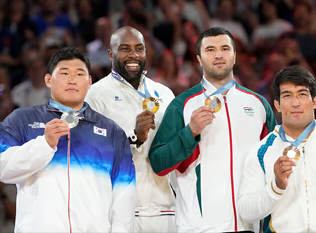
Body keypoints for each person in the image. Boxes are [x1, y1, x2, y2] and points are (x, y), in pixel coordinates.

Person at [149, 27, 277, 232]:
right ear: (199, 59)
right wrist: (189, 132)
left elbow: (272, 167)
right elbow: (158, 163)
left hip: (249, 226)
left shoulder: (259, 105)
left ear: (234, 56)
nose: (218, 54)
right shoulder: (182, 105)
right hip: (199, 227)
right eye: (210, 50)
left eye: (225, 48)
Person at [0, 47, 136, 232]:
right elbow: (3, 168)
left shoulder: (112, 131)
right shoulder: (21, 120)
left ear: (89, 82)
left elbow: (124, 195)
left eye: (80, 74)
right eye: (64, 73)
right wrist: (44, 144)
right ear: (48, 80)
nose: (72, 79)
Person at [85, 26, 176, 232]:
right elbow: (93, 154)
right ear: (111, 54)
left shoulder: (165, 94)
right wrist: (135, 138)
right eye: (125, 49)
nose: (133, 55)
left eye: (139, 48)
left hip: (165, 209)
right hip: (119, 210)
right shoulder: (95, 96)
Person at [238, 65, 316, 232]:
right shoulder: (261, 152)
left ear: (315, 101)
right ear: (277, 104)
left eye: (302, 94)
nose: (296, 103)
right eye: (287, 95)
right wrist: (275, 187)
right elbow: (246, 212)